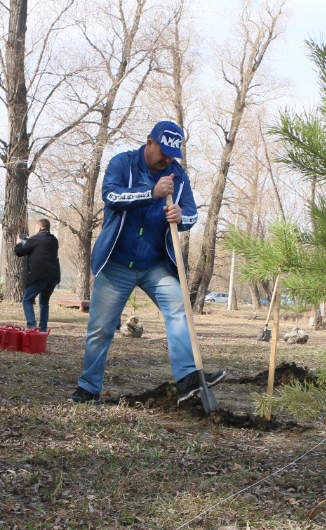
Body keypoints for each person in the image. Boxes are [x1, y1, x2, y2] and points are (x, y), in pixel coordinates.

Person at [69, 120, 224, 405]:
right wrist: (150, 193)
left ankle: (188, 378)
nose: (167, 159)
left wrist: (181, 216)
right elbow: (111, 196)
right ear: (149, 142)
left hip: (155, 265)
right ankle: (88, 388)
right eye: (163, 152)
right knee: (101, 327)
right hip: (117, 262)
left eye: (172, 155)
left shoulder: (178, 176)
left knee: (179, 310)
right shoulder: (122, 163)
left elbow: (191, 213)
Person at [14, 218, 61, 330]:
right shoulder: (54, 240)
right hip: (53, 275)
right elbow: (42, 247)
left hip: (40, 274)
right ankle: (43, 328)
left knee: (27, 299)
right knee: (44, 302)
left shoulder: (35, 239)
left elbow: (19, 252)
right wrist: (30, 240)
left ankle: (32, 326)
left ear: (39, 227)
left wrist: (19, 243)